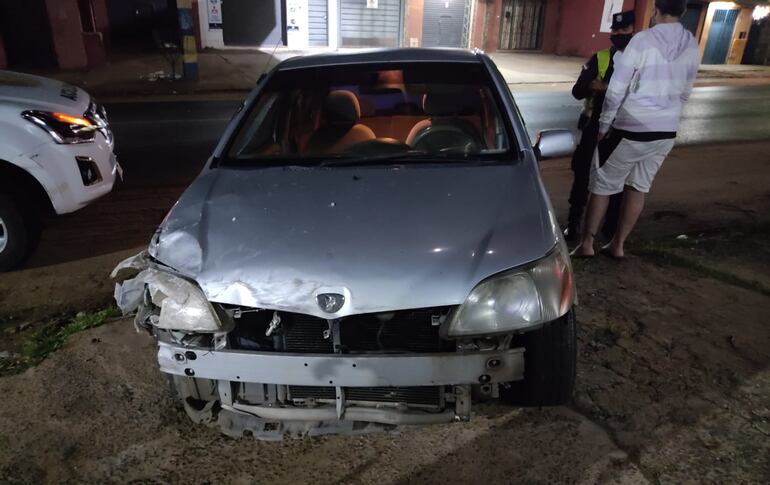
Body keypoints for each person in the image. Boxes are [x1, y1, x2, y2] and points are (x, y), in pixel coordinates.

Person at [574, 0, 700, 259]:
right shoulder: (691, 43)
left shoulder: (642, 41)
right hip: (665, 132)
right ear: (683, 11)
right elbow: (686, 91)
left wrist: (605, 124)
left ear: (656, 10)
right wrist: (669, 114)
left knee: (603, 185)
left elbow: (617, 90)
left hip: (632, 126)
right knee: (638, 187)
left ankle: (587, 245)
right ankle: (618, 245)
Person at [563, 10, 636, 244]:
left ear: (633, 31)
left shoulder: (640, 60)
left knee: (617, 182)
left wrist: (603, 86)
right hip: (594, 127)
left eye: (624, 30)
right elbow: (578, 91)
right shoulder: (601, 57)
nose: (618, 34)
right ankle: (573, 226)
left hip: (623, 128)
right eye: (615, 30)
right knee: (582, 176)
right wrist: (594, 86)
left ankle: (609, 230)